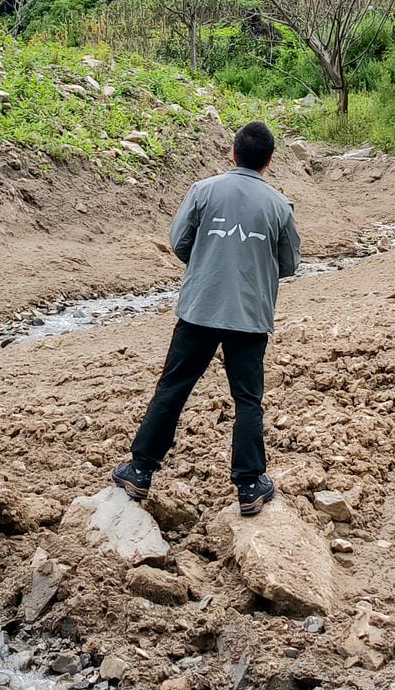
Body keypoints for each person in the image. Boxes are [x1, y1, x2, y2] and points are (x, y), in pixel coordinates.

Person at [113, 120, 301, 516]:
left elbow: (179, 244)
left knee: (174, 388)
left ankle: (141, 471)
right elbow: (289, 264)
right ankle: (250, 485)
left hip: (200, 309)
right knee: (248, 400)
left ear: (233, 153)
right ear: (268, 161)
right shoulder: (280, 206)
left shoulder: (203, 191)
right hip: (250, 317)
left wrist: (209, 259)